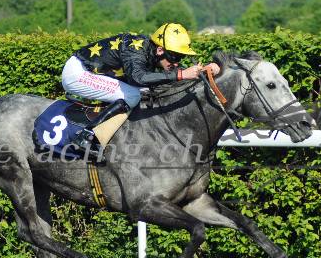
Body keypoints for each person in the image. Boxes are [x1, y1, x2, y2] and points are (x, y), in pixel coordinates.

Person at [61, 22, 221, 158]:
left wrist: (206, 69)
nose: (177, 62)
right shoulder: (135, 51)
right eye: (175, 57)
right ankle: (86, 135)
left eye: (181, 57)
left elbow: (177, 73)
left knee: (144, 92)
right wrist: (181, 74)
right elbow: (138, 78)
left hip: (92, 72)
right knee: (133, 95)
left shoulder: (151, 51)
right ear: (160, 50)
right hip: (77, 74)